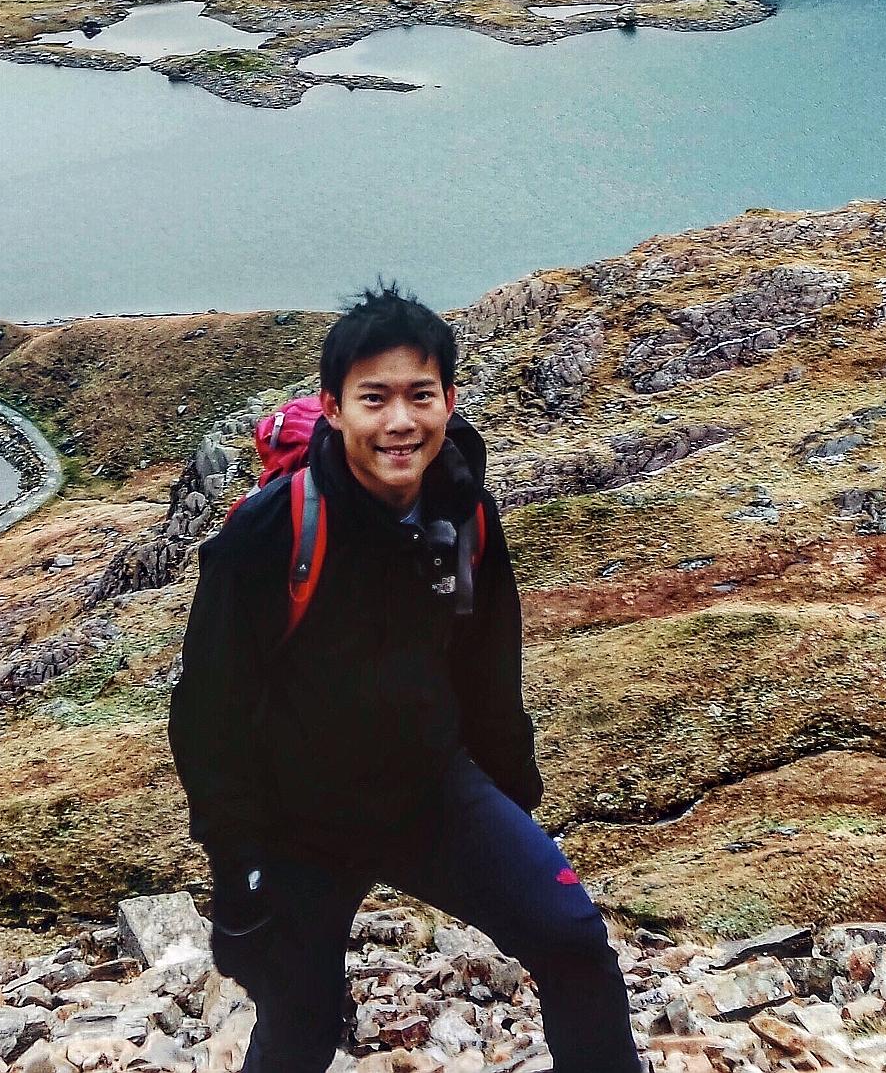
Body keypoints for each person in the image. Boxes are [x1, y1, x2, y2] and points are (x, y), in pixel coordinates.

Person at [168, 285, 642, 1073]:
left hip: (434, 796)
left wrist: (512, 812)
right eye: (374, 397)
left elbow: (490, 672)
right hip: (300, 826)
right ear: (333, 406)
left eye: (420, 395)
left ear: (449, 400)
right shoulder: (270, 533)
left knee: (572, 940)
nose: (399, 421)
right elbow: (206, 713)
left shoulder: (467, 515)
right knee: (300, 1023)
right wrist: (238, 866)